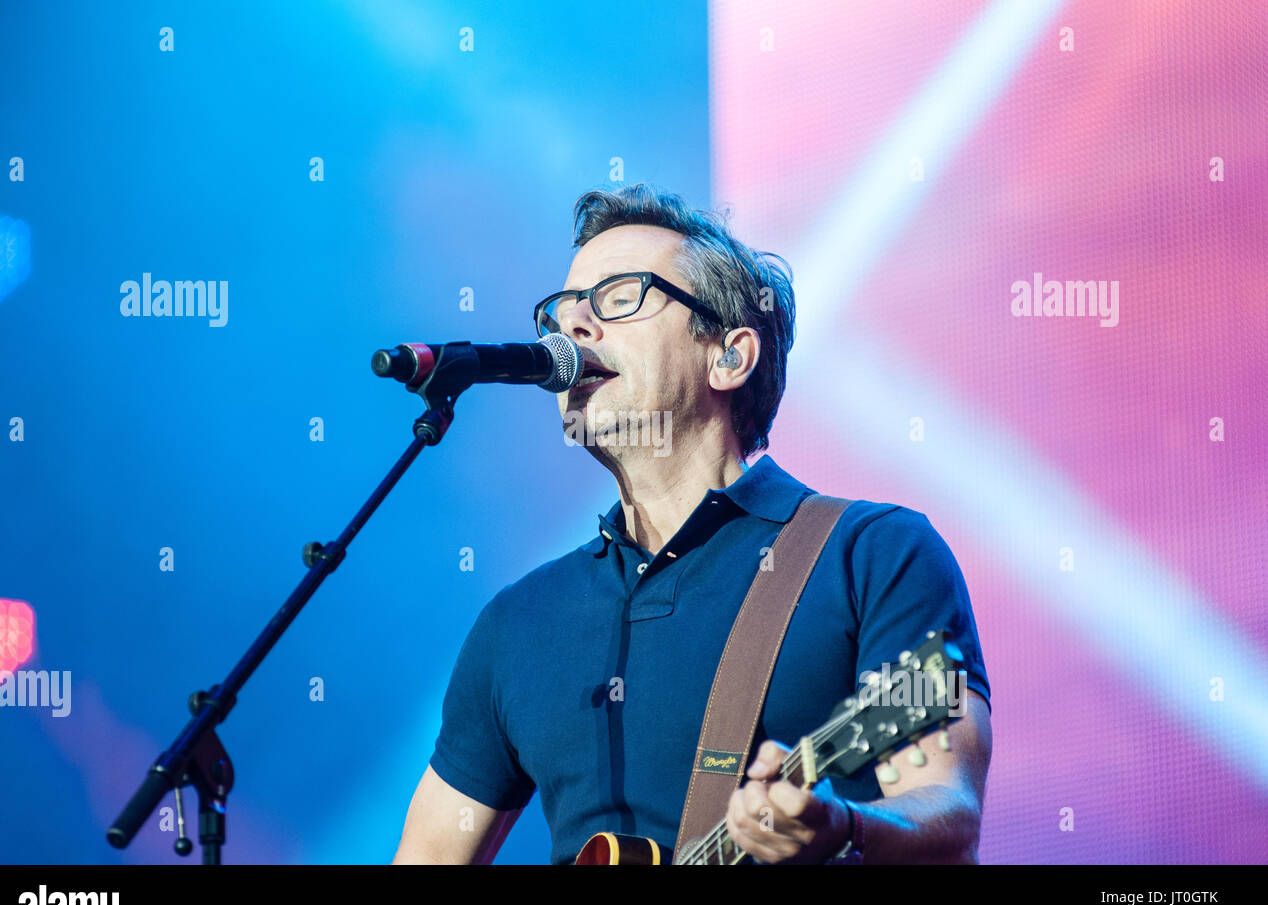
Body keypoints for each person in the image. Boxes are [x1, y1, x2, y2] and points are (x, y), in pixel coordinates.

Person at [393, 184, 992, 865]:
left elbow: (948, 817)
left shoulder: (872, 554)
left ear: (730, 356)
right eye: (563, 311)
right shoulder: (516, 624)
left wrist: (842, 823)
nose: (574, 328)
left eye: (619, 296)